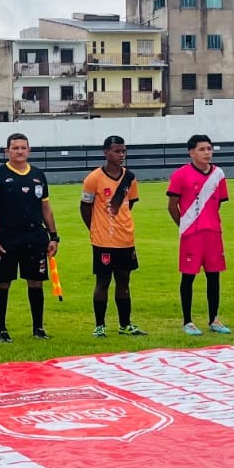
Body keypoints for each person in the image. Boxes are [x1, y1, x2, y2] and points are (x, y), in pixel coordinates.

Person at [0, 133, 58, 342]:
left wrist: (54, 236)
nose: (19, 151)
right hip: (7, 237)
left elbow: (46, 208)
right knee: (2, 283)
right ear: (7, 151)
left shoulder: (37, 175)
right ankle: (1, 329)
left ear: (29, 150)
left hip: (35, 236)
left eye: (23, 148)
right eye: (15, 148)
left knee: (36, 282)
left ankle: (38, 328)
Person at [80, 136, 145, 339]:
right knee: (103, 282)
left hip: (125, 239)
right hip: (103, 240)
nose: (121, 155)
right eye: (117, 151)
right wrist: (96, 227)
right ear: (106, 152)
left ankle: (125, 324)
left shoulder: (130, 177)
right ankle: (100, 325)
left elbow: (130, 203)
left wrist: (120, 224)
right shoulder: (94, 178)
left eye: (123, 151)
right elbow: (85, 207)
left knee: (124, 281)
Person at [166, 134, 230, 336]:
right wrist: (185, 224)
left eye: (209, 149)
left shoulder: (218, 174)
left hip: (213, 233)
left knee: (214, 277)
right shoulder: (180, 174)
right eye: (202, 149)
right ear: (191, 152)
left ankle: (214, 320)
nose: (207, 153)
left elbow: (218, 202)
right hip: (191, 234)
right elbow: (172, 205)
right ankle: (188, 321)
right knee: (188, 277)